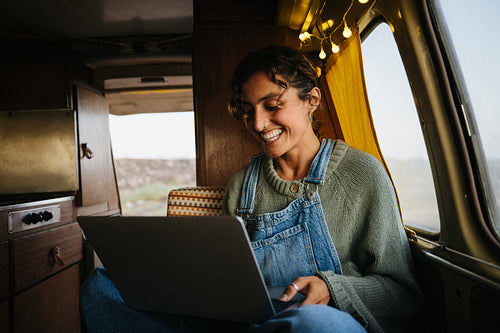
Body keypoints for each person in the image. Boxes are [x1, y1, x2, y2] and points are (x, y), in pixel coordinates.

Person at [80, 45, 421, 333]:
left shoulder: (362, 174)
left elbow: (403, 295)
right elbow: (225, 282)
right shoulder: (242, 184)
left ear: (312, 99)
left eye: (273, 105)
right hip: (253, 323)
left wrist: (333, 289)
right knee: (100, 286)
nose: (258, 124)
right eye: (247, 111)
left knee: (313, 323)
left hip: (322, 323)